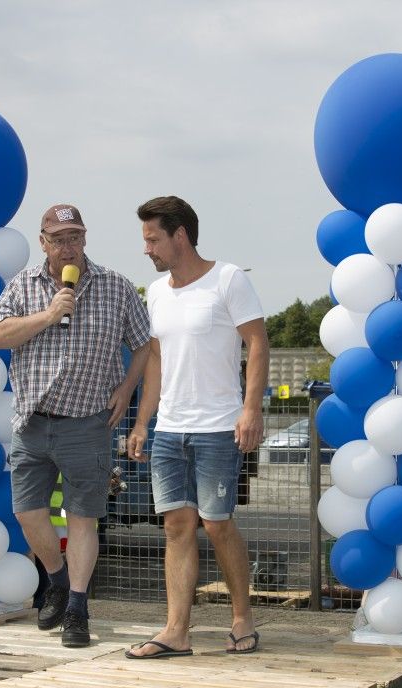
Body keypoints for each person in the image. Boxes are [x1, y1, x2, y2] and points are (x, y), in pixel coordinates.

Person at [0, 204, 150, 648]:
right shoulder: (22, 285)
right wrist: (48, 314)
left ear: (85, 239)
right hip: (31, 421)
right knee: (28, 513)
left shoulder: (115, 285)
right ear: (43, 243)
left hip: (87, 422)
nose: (67, 247)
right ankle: (57, 580)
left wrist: (127, 389)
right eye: (58, 239)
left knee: (82, 518)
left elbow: (144, 343)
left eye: (74, 237)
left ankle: (77, 608)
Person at [126, 196, 269, 659]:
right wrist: (143, 422)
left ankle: (242, 618)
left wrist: (251, 410)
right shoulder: (157, 292)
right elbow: (156, 360)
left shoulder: (228, 279)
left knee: (217, 524)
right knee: (176, 526)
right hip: (169, 428)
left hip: (218, 427)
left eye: (153, 239)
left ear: (180, 236)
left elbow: (257, 343)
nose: (147, 248)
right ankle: (176, 632)